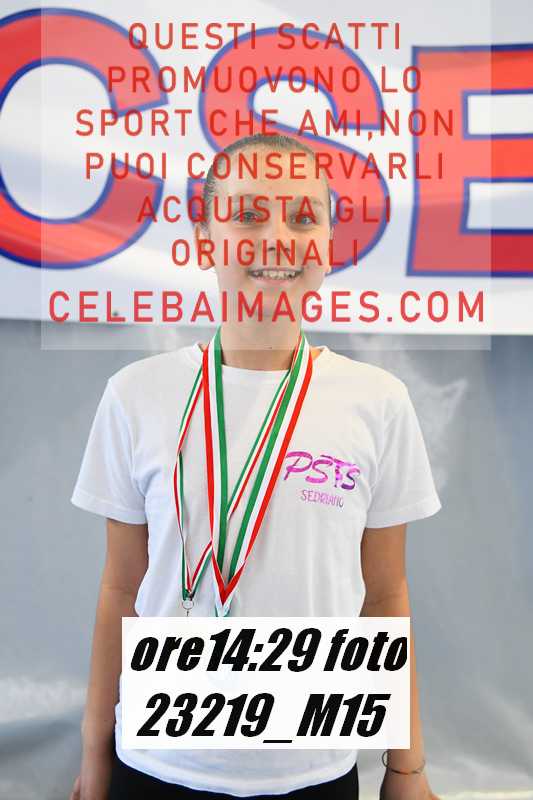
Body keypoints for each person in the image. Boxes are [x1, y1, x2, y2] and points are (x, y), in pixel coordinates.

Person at [69, 132, 442, 800]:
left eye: (302, 218)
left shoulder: (377, 403)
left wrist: (405, 767)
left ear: (328, 245)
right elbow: (120, 590)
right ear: (204, 239)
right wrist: (95, 760)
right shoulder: (137, 395)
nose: (276, 240)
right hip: (156, 764)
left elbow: (385, 597)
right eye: (247, 215)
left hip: (314, 769)